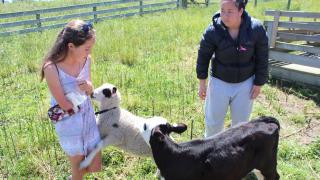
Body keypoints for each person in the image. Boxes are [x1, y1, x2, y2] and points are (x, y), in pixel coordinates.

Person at [196, 0, 268, 138]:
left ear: (241, 11)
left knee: (241, 126)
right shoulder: (213, 31)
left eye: (230, 11)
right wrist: (202, 84)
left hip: (245, 84)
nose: (225, 15)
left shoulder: (256, 29)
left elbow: (262, 57)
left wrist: (258, 83)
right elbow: (203, 57)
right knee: (213, 124)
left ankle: (236, 155)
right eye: (222, 10)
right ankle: (211, 153)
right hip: (219, 82)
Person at [40, 20, 101, 179]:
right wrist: (80, 98)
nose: (89, 52)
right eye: (86, 48)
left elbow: (89, 90)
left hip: (88, 118)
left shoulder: (86, 60)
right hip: (70, 123)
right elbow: (64, 104)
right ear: (71, 46)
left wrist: (88, 87)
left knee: (95, 166)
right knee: (78, 170)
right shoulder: (51, 68)